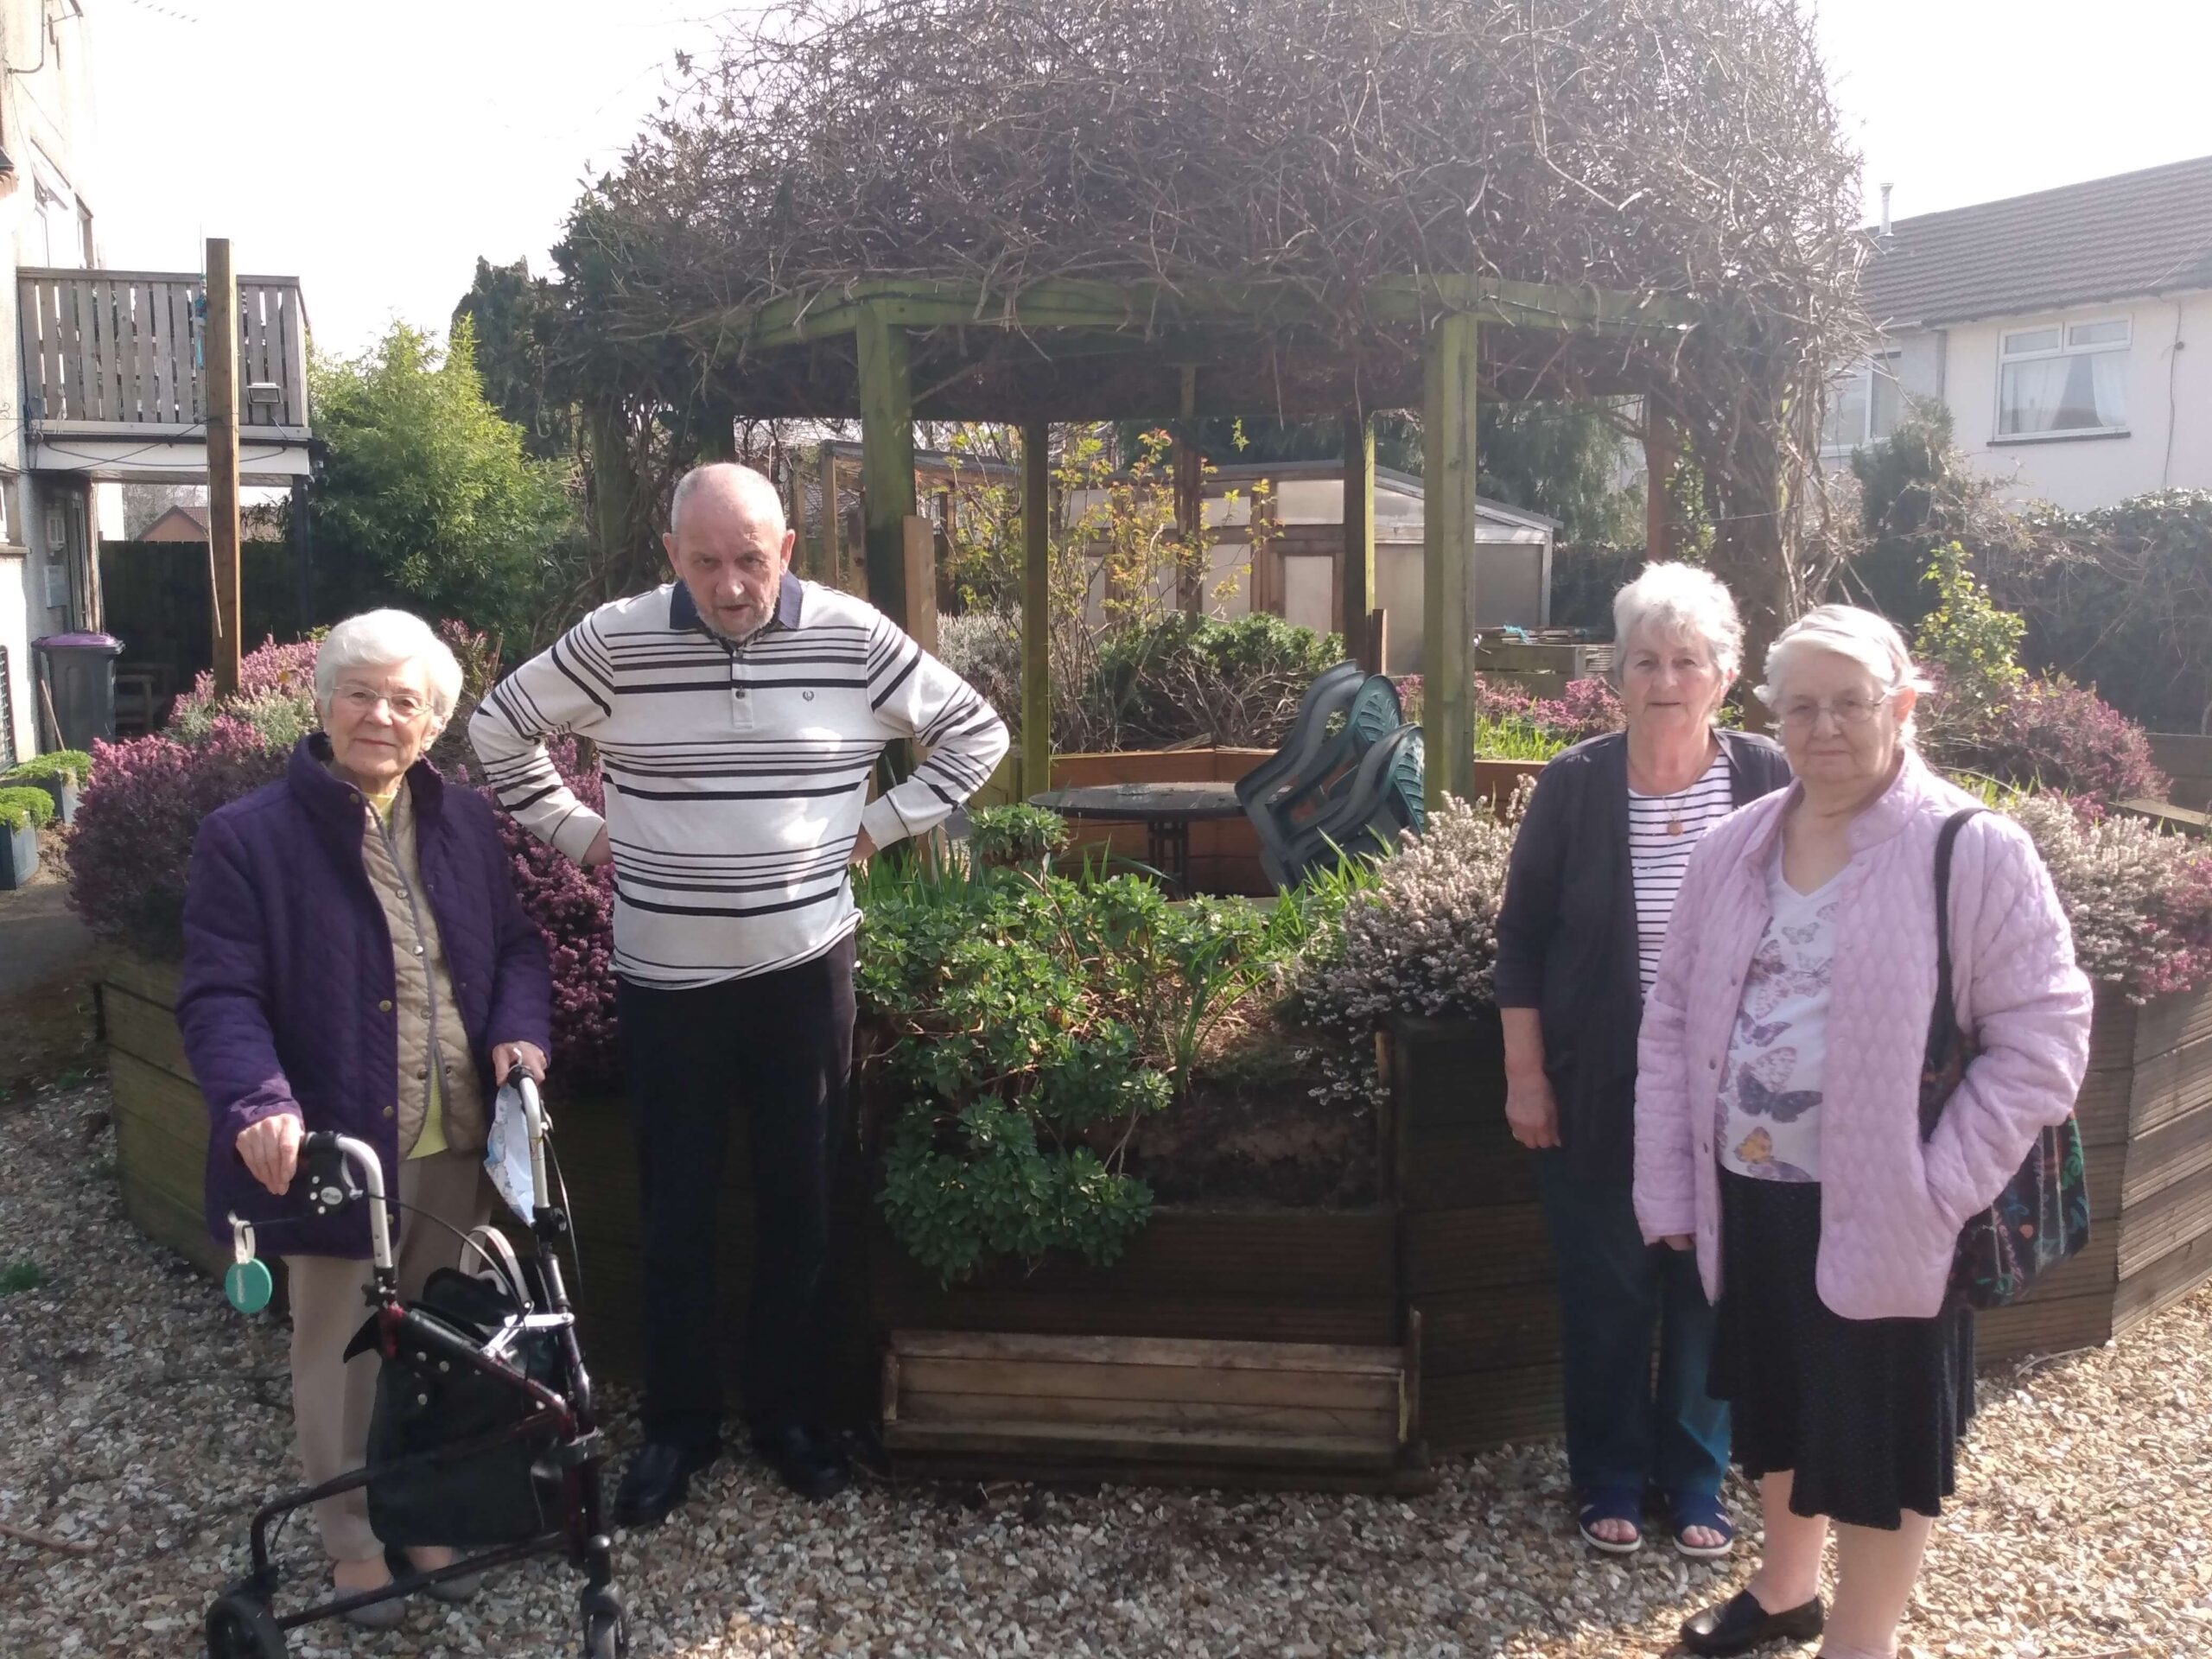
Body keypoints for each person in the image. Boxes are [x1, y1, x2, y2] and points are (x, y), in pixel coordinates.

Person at [470, 461, 1008, 1517]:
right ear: (670, 555)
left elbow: (976, 732)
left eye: (750, 561)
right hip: (665, 980)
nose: (728, 586)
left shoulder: (853, 638)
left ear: (787, 552)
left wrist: (881, 827)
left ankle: (787, 1416)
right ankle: (677, 1428)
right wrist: (582, 835)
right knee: (674, 1212)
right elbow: (497, 728)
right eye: (706, 562)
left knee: (800, 1207)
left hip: (806, 975)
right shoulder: (617, 639)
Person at [1637, 605, 2093, 1659]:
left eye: (1849, 702)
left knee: (1879, 1443)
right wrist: (1668, 1187)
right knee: (1778, 1404)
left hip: (1889, 1208)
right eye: (1799, 705)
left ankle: (1862, 1641)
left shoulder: (1971, 849)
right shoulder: (1734, 845)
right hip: (1747, 1192)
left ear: (1901, 705)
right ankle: (1784, 1590)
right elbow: (1672, 1025)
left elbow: (2044, 1038)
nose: (1823, 726)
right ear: (1770, 716)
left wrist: (1937, 1186)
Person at [179, 610, 552, 1629]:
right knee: (339, 1360)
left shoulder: (467, 823)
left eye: (406, 702)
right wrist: (258, 1101)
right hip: (341, 1154)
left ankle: (423, 1508)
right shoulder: (246, 838)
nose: (380, 717)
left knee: (439, 1350)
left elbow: (518, 948)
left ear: (433, 724)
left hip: (459, 1138)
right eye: (359, 693)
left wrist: (521, 1036)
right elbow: (220, 996)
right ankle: (351, 1546)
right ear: (321, 703)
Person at [1494, 563, 1790, 1559]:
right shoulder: (1574, 784)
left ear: (1724, 674)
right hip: (1591, 1088)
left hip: (1732, 1093)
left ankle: (1696, 1479)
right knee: (1609, 1290)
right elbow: (1521, 940)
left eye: (1687, 660)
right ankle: (1610, 1475)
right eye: (1645, 660)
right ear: (1615, 675)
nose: (1666, 678)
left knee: (1709, 1288)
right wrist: (1523, 1077)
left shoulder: (1766, 780)